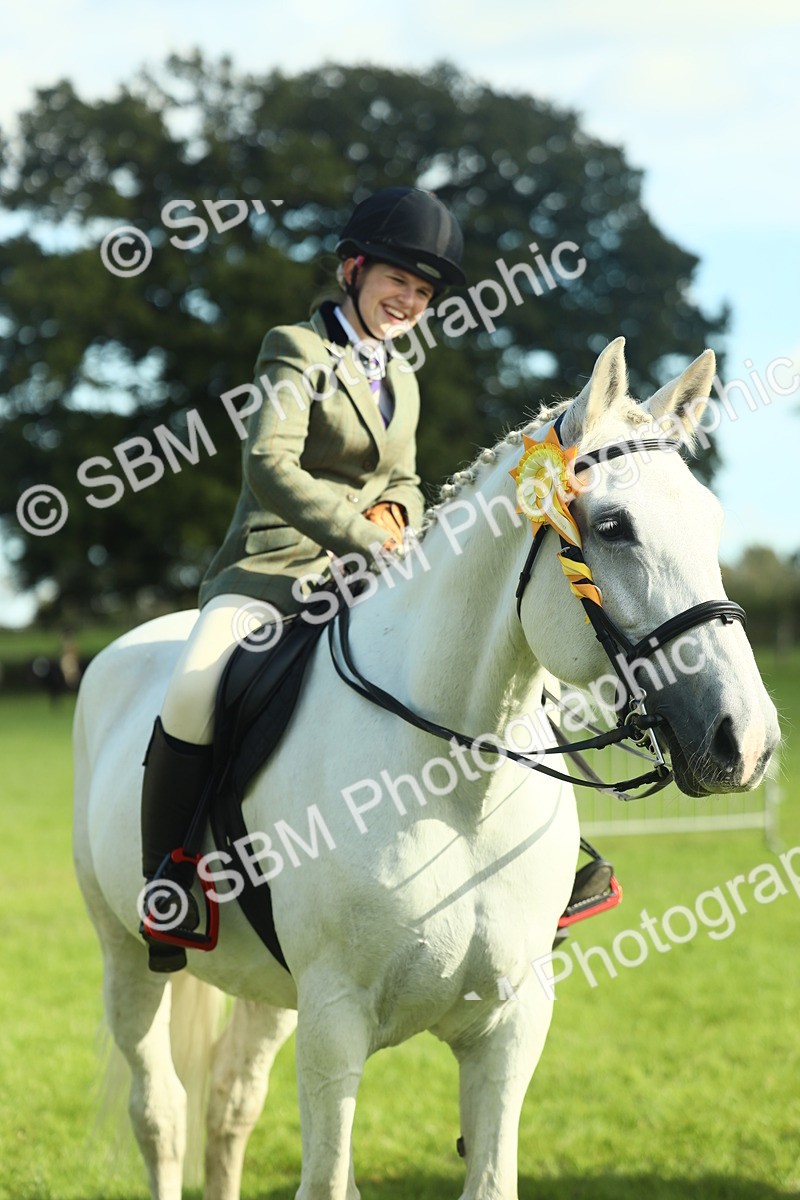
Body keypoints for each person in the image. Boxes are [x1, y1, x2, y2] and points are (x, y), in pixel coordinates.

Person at [140, 186, 465, 971]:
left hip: (373, 573)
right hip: (272, 568)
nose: (409, 301)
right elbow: (269, 463)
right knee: (192, 685)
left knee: (470, 649)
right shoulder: (296, 348)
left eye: (423, 293)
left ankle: (560, 856)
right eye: (399, 282)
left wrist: (398, 515)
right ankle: (172, 881)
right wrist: (362, 535)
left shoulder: (406, 379)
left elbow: (409, 480)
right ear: (354, 268)